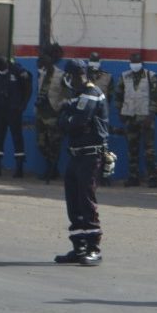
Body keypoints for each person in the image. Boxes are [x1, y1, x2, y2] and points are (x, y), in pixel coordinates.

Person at [53, 59, 109, 266]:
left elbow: (77, 122)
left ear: (75, 75)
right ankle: (79, 247)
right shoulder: (77, 96)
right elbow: (62, 122)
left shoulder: (90, 94)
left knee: (86, 201)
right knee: (73, 201)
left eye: (68, 75)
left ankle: (94, 248)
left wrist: (67, 117)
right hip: (76, 154)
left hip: (90, 155)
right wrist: (66, 118)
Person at [114, 52, 157, 188]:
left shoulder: (151, 76)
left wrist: (151, 114)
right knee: (132, 149)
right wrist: (120, 111)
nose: (134, 64)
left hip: (146, 118)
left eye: (136, 62)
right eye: (132, 62)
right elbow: (118, 96)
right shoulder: (124, 76)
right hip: (129, 117)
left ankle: (152, 177)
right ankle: (133, 177)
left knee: (149, 150)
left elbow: (156, 98)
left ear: (141, 62)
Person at [0, 56, 32, 178]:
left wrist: (23, 104)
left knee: (17, 137)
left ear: (7, 64)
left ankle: (19, 168)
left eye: (3, 67)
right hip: (0, 109)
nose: (1, 69)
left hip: (14, 109)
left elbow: (28, 87)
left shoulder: (17, 71)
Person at [35, 43, 68, 182]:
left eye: (46, 57)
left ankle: (51, 170)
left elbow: (67, 96)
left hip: (54, 114)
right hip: (41, 114)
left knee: (54, 144)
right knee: (41, 144)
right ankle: (51, 167)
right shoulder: (41, 73)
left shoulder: (61, 75)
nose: (44, 59)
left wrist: (59, 107)